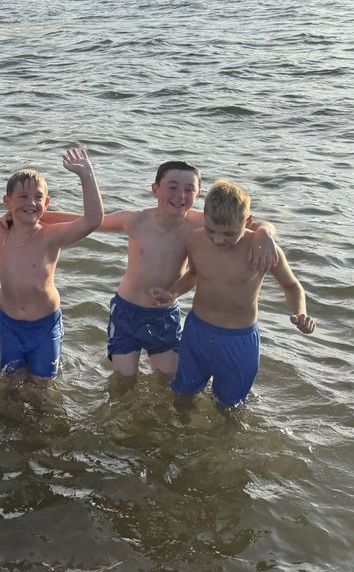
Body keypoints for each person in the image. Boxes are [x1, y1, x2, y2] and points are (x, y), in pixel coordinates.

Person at [31, 160, 278, 385]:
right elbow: (88, 221)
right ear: (155, 190)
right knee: (124, 380)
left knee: (169, 381)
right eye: (172, 187)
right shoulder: (135, 220)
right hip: (127, 312)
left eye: (189, 189)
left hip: (164, 315)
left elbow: (249, 224)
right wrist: (36, 218)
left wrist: (265, 233)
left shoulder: (202, 224)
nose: (180, 195)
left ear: (198, 194)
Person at [151, 179, 316, 409]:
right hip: (197, 332)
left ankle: (226, 444)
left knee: (231, 407)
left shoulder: (262, 250)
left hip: (239, 340)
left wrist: (301, 313)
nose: (219, 239)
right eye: (212, 230)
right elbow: (195, 274)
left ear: (247, 222)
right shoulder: (195, 239)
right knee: (182, 395)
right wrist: (173, 293)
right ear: (204, 215)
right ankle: (180, 439)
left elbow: (292, 286)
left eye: (229, 234)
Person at [0, 149, 104, 387]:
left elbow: (93, 220)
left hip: (45, 325)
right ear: (7, 202)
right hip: (9, 324)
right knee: (10, 383)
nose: (31, 203)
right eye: (23, 197)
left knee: (42, 388)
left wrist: (86, 175)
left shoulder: (51, 235)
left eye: (38, 197)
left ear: (46, 203)